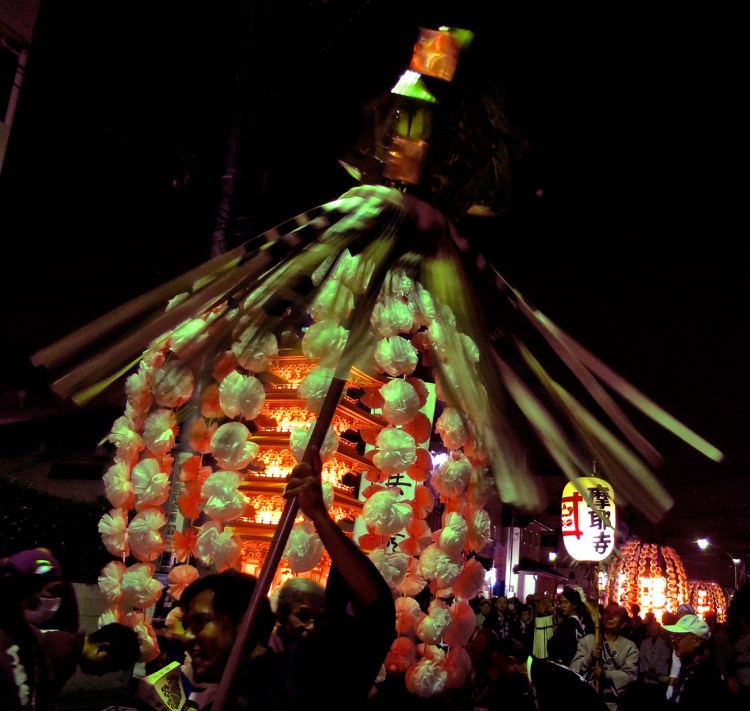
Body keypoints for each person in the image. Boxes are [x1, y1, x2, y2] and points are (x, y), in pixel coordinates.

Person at [178, 445, 396, 710]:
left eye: (201, 622)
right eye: (187, 625)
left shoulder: (298, 678)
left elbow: (375, 613)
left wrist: (318, 516)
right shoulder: (216, 694)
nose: (188, 637)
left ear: (243, 621)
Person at [490, 635, 609, 710]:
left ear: (512, 661)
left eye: (499, 667)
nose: (499, 673)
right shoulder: (539, 670)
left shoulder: (546, 677)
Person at [39, 622, 141, 704]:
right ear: (103, 648)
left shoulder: (70, 657)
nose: (101, 674)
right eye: (108, 667)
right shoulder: (60, 652)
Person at [571, 602, 639, 710]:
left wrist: (605, 674)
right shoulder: (588, 640)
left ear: (623, 623)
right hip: (587, 702)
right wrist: (589, 658)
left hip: (613, 705)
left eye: (615, 614)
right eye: (607, 613)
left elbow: (630, 675)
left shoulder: (629, 646)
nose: (610, 617)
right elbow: (573, 669)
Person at [662, 612, 733, 708]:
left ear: (696, 641)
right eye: (672, 636)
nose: (673, 641)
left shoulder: (707, 676)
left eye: (678, 637)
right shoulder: (690, 667)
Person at [548, 586, 591, 667]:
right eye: (560, 603)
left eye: (566, 602)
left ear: (574, 605)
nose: (562, 606)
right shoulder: (576, 622)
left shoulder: (568, 624)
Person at [636, 619, 671, 708]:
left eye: (655, 629)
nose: (653, 631)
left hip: (660, 678)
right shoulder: (644, 642)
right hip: (646, 679)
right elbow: (641, 657)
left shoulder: (664, 643)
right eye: (651, 629)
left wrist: (657, 673)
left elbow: (665, 658)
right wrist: (646, 670)